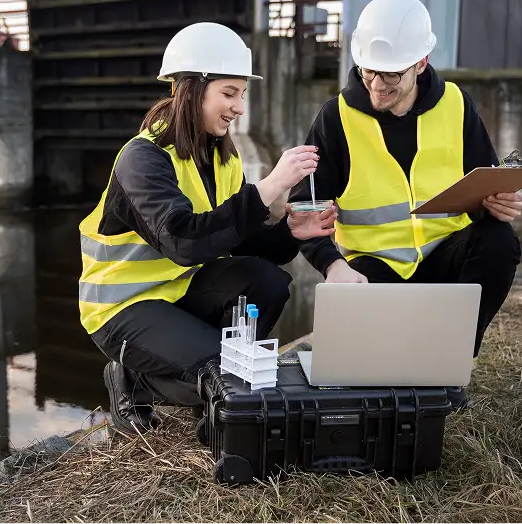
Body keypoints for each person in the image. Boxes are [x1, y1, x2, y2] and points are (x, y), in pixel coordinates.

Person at [79, 22, 337, 434]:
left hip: (179, 292)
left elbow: (240, 239)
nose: (239, 107)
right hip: (121, 308)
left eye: (242, 95)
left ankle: (214, 390)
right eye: (229, 94)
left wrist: (292, 231)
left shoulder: (222, 159)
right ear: (192, 89)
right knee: (223, 373)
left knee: (267, 281)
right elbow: (183, 241)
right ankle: (132, 380)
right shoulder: (142, 159)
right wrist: (271, 185)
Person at [289, 0, 522, 408]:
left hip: (446, 257)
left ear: (421, 63)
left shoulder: (456, 105)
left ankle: (449, 362)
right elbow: (305, 208)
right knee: (368, 376)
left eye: (392, 74)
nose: (378, 85)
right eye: (369, 71)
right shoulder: (336, 118)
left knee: (499, 240)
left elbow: (486, 186)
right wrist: (332, 265)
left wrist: (502, 203)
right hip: (373, 270)